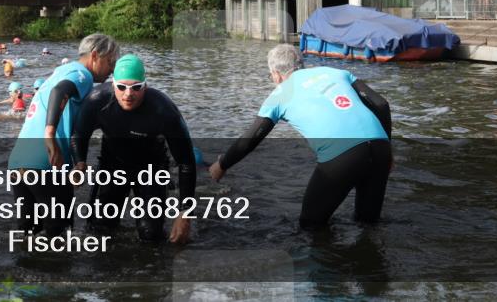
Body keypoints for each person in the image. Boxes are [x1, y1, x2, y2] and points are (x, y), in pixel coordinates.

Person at [209, 44, 392, 230]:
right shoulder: (335, 72)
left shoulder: (280, 94)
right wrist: (388, 150)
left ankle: (330, 257)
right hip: (381, 147)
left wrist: (222, 164)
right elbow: (382, 105)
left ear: (276, 74)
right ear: (301, 64)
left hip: (342, 155)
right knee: (368, 225)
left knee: (310, 225)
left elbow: (251, 138)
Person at [72, 54, 195, 244]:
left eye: (136, 87)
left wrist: (185, 213)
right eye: (122, 87)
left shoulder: (163, 109)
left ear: (145, 86)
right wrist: (80, 162)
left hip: (151, 168)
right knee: (99, 230)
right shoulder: (97, 100)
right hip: (112, 165)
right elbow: (79, 134)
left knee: (150, 235)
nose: (128, 94)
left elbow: (186, 162)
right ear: (113, 84)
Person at [7, 33, 120, 237]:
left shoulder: (61, 71)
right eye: (111, 62)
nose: (112, 70)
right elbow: (60, 91)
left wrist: (78, 162)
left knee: (28, 234)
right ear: (95, 55)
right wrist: (49, 136)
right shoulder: (82, 75)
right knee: (58, 235)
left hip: (19, 161)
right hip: (47, 162)